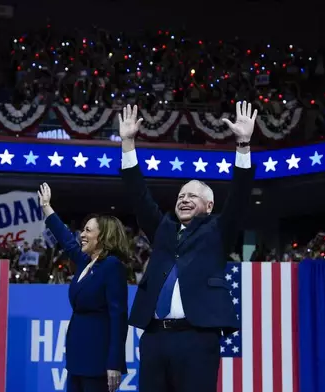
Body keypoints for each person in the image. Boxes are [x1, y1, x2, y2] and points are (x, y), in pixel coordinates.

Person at [118, 102, 257, 392]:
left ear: (209, 205)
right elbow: (139, 197)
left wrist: (243, 144)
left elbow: (241, 197)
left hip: (197, 338)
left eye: (192, 196)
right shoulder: (164, 229)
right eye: (181, 195)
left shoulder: (219, 229)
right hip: (155, 337)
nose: (183, 199)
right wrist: (128, 143)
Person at [38, 183, 129, 392]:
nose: (82, 234)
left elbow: (119, 317)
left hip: (97, 361)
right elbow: (67, 239)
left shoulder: (112, 266)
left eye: (88, 230)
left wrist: (114, 363)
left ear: (103, 237)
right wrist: (46, 208)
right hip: (77, 358)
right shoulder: (85, 262)